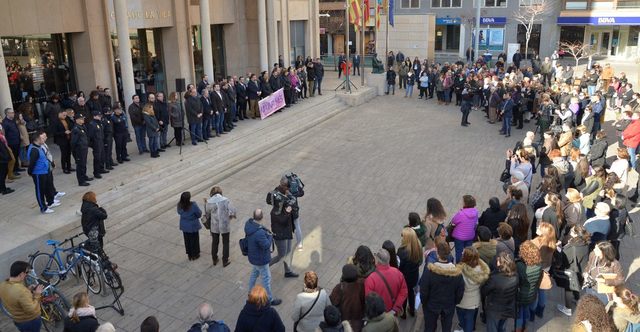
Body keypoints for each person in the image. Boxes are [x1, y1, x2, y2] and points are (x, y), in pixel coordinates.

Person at [420, 239, 465, 332]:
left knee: (429, 328)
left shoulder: (429, 272)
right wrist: (454, 302)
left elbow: (424, 290)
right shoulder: (457, 273)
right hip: (449, 306)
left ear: (437, 254)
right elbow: (460, 291)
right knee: (447, 327)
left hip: (432, 305)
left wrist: (424, 303)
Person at [245, 209, 282, 306]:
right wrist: (270, 237)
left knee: (254, 274)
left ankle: (250, 292)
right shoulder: (259, 232)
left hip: (253, 257)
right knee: (266, 279)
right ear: (261, 217)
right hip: (260, 259)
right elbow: (266, 245)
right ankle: (269, 299)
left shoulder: (249, 225)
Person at [555, 225, 590, 317]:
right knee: (577, 285)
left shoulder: (572, 247)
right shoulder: (585, 242)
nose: (569, 232)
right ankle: (578, 299)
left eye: (571, 231)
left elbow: (564, 260)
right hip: (581, 270)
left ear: (575, 234)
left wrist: (559, 250)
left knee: (568, 289)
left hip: (572, 271)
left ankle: (568, 309)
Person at [267, 179, 299, 278]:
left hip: (287, 230)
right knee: (281, 255)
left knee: (288, 252)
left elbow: (294, 199)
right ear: (284, 187)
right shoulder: (275, 212)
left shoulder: (282, 194)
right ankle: (265, 267)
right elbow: (282, 221)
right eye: (288, 188)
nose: (289, 190)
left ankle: (288, 271)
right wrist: (288, 211)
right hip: (280, 233)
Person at [0, 261, 44, 332]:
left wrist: (28, 290)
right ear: (21, 274)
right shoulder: (21, 291)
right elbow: (32, 310)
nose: (27, 275)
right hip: (30, 321)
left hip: (17, 320)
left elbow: (16, 297)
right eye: (26, 273)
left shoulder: (3, 285)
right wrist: (37, 294)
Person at [481, 252, 518, 332]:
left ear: (502, 264)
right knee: (502, 327)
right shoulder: (515, 276)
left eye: (498, 261)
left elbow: (484, 291)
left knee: (492, 329)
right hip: (507, 308)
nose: (496, 262)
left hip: (495, 310)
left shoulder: (495, 278)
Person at [364, 248, 408, 316]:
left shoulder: (370, 279)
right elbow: (404, 291)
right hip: (393, 313)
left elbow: (369, 301)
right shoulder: (398, 273)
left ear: (377, 261)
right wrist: (395, 308)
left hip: (378, 315)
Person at [456, 247, 490, 332]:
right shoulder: (481, 270)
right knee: (470, 320)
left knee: (462, 320)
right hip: (474, 301)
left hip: (460, 301)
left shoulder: (459, 269)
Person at [202, 186, 236, 267]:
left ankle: (214, 259)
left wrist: (205, 203)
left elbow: (207, 213)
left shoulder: (209, 202)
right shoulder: (226, 200)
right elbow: (232, 211)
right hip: (225, 225)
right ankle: (225, 260)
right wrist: (229, 217)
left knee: (215, 242)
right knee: (226, 243)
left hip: (214, 225)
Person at [531, 222, 557, 320]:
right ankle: (540, 311)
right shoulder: (552, 241)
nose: (537, 227)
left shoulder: (536, 242)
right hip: (546, 268)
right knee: (542, 292)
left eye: (539, 227)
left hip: (536, 269)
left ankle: (532, 314)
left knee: (534, 293)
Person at [515, 240, 543, 330]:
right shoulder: (539, 266)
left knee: (519, 314)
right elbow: (538, 282)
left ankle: (518, 329)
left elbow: (516, 282)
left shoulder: (519, 265)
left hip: (520, 296)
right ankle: (525, 329)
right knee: (526, 312)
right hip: (532, 295)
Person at [329, 264, 365, 332]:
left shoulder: (339, 287)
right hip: (359, 318)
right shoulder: (361, 284)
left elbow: (332, 301)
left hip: (345, 320)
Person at [396, 228, 422, 319]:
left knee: (403, 295)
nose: (402, 238)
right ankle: (412, 310)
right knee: (412, 294)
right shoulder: (418, 246)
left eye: (403, 236)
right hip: (414, 276)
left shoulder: (402, 251)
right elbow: (420, 261)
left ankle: (403, 314)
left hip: (404, 278)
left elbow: (399, 266)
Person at [27, 132, 56, 213]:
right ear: (37, 139)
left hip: (44, 171)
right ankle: (43, 208)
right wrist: (30, 172)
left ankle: (49, 202)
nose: (44, 139)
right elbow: (32, 164)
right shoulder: (34, 150)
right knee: (40, 191)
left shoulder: (39, 146)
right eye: (42, 138)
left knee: (46, 188)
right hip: (38, 174)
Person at [451, 195, 479, 263]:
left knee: (459, 252)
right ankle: (467, 263)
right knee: (468, 252)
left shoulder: (461, 213)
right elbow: (476, 223)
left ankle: (458, 265)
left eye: (463, 201)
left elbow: (453, 221)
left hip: (459, 237)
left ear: (466, 204)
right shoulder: (476, 212)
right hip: (470, 236)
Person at [177, 191, 202, 261]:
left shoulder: (179, 205)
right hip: (193, 226)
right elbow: (199, 214)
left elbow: (179, 212)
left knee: (187, 240)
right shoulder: (193, 205)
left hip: (184, 225)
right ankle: (195, 254)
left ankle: (189, 254)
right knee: (194, 240)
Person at [71, 114, 91, 186]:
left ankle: (84, 176)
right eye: (81, 119)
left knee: (84, 163)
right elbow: (73, 142)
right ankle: (81, 181)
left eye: (83, 118)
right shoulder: (76, 129)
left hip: (84, 148)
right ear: (77, 120)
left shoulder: (82, 126)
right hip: (79, 150)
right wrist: (75, 153)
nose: (83, 120)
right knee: (80, 165)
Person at [52, 109, 73, 174]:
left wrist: (70, 130)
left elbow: (70, 125)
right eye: (64, 115)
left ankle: (69, 166)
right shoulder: (55, 121)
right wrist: (64, 132)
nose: (65, 116)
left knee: (69, 153)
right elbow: (54, 132)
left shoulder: (66, 119)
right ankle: (64, 168)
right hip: (62, 140)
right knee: (64, 154)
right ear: (59, 114)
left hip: (68, 139)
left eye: (66, 115)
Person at [86, 111, 107, 176]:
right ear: (94, 116)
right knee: (97, 158)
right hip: (96, 143)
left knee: (102, 157)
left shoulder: (100, 123)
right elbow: (90, 136)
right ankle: (96, 172)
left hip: (101, 142)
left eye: (100, 115)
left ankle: (101, 169)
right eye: (98, 116)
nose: (100, 117)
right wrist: (92, 145)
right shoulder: (92, 124)